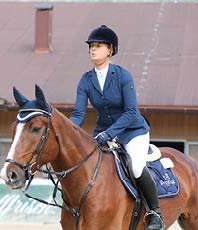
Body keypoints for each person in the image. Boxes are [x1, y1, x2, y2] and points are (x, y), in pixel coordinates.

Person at [70, 25, 165, 230]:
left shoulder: (123, 75)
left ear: (110, 50)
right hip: (103, 134)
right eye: (90, 47)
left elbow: (131, 112)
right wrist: (67, 132)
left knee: (136, 167)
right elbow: (79, 114)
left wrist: (109, 133)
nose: (92, 50)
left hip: (132, 132)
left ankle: (155, 213)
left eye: (98, 46)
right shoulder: (86, 80)